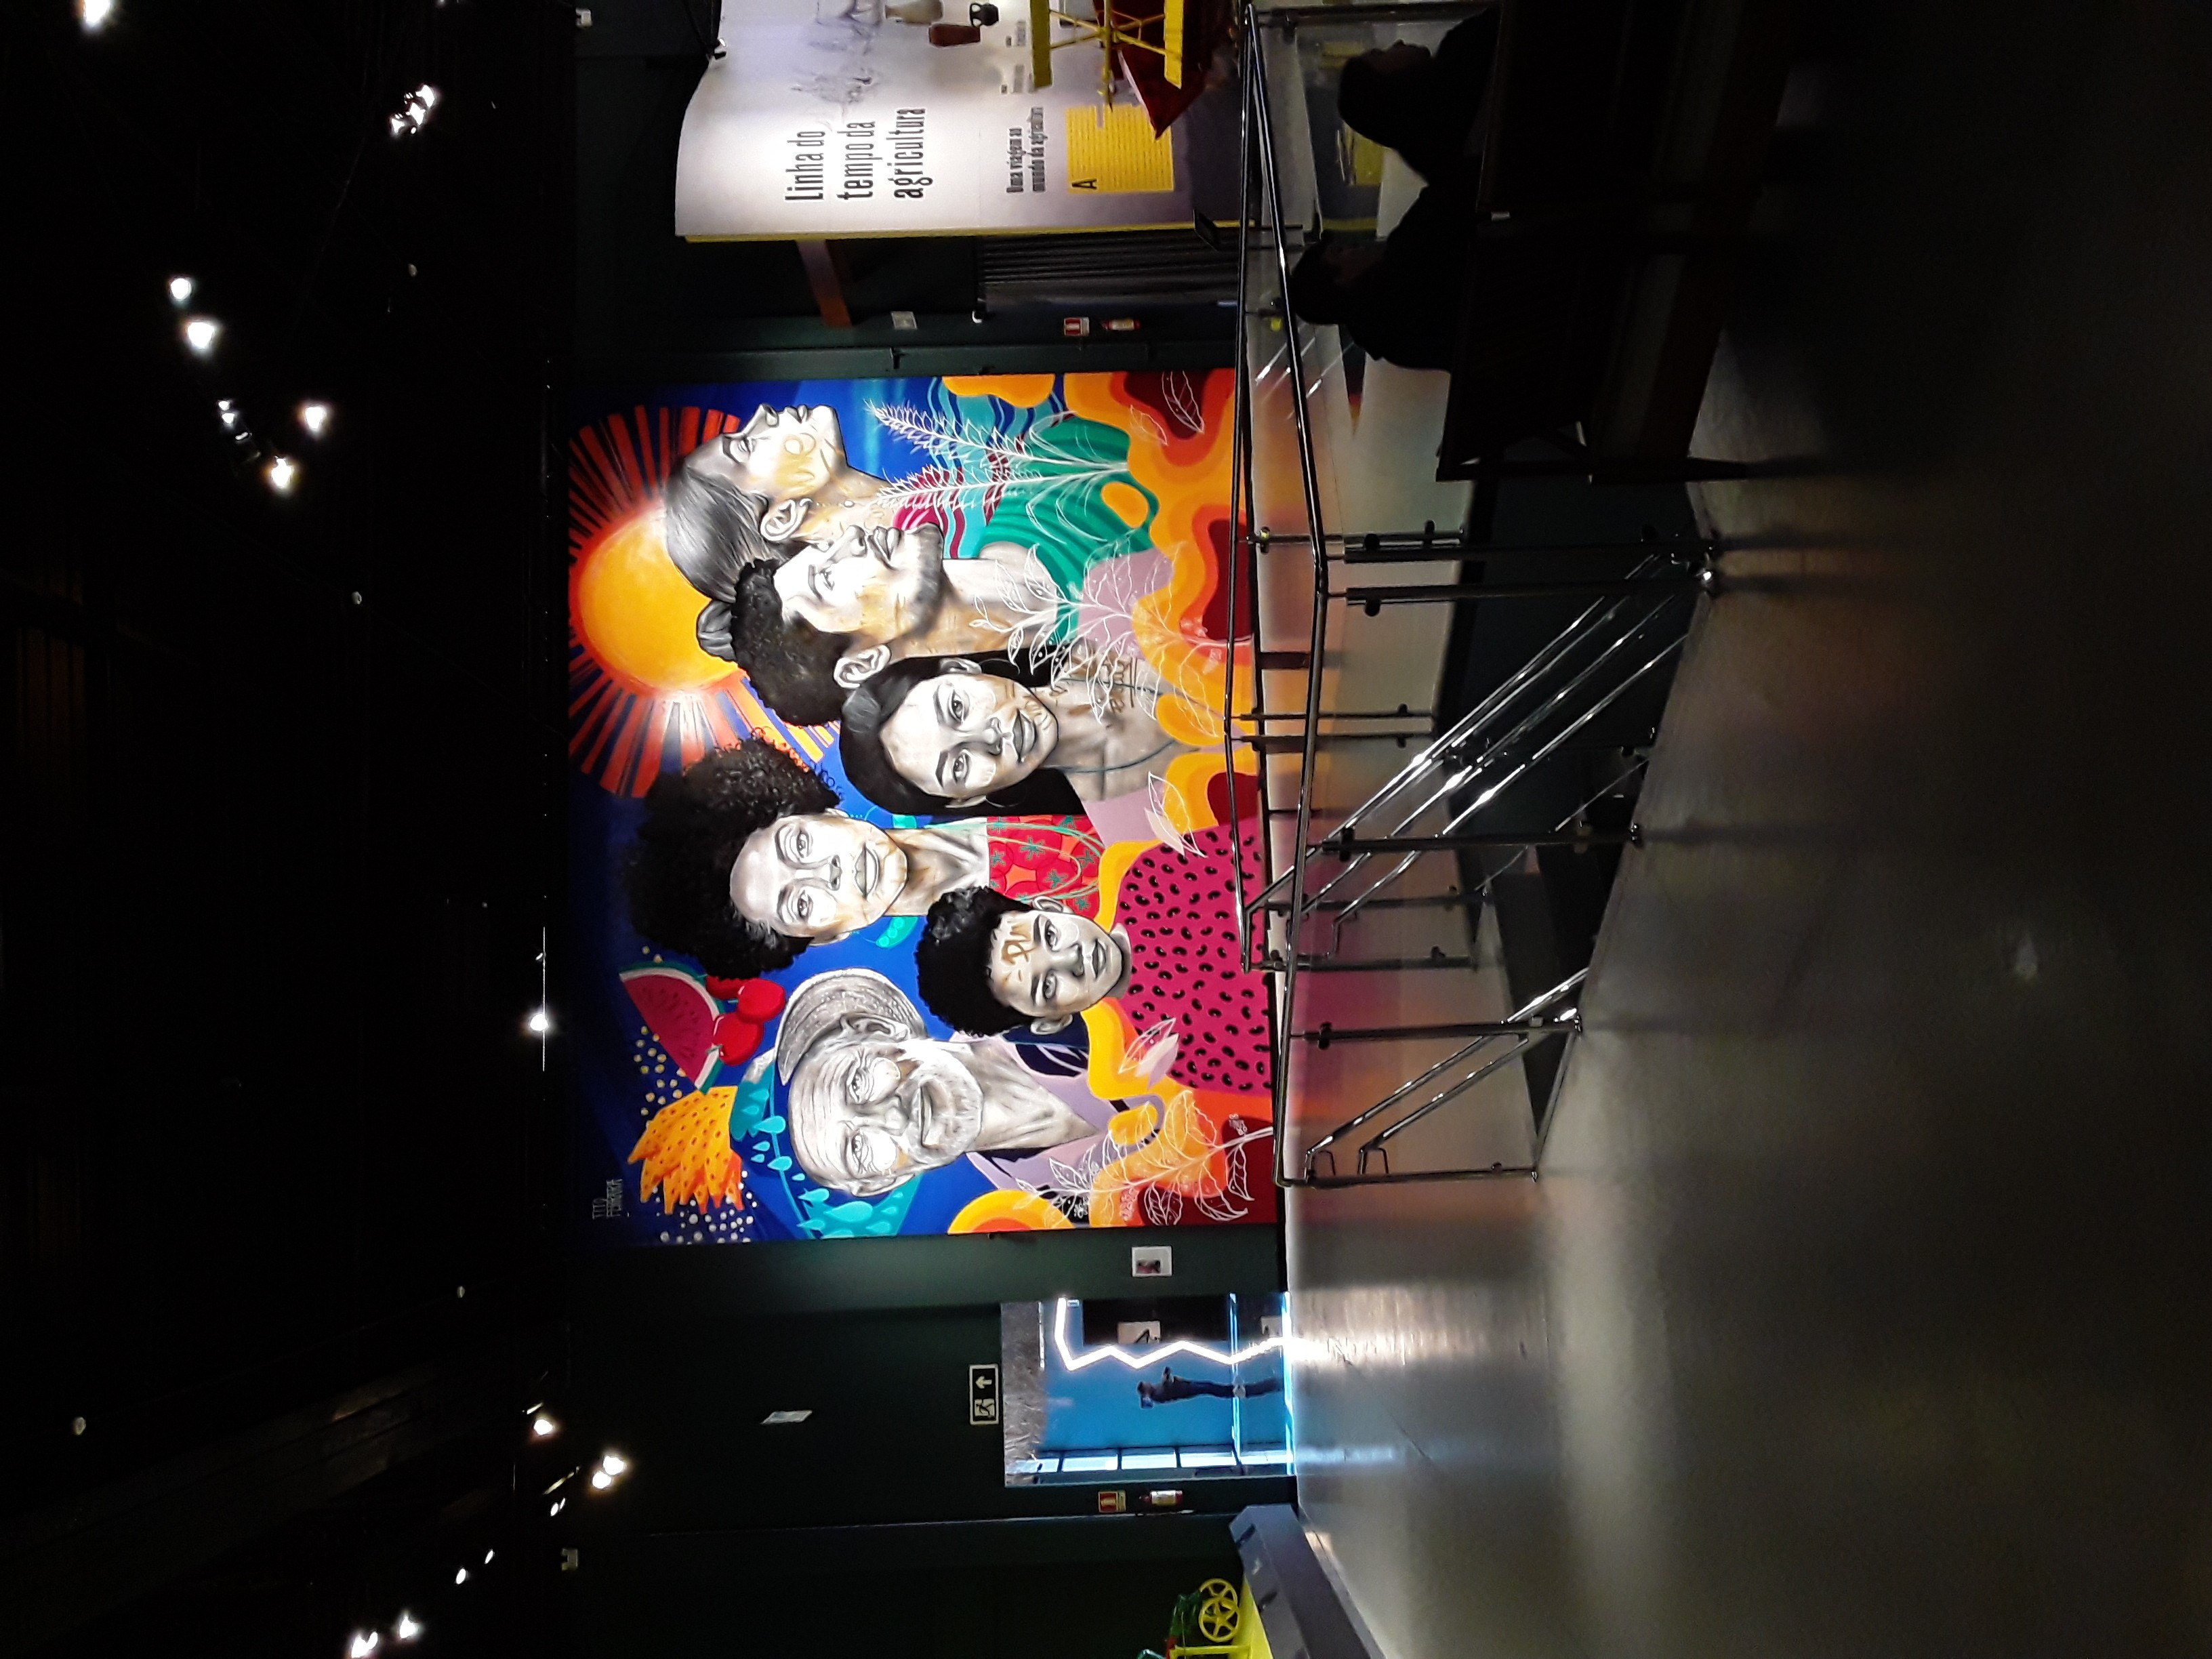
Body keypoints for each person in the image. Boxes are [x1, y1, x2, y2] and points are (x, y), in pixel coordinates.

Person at [624, 740, 1103, 977]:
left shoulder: (973, 754)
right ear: (829, 936)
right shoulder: (998, 981)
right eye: (801, 903)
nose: (827, 873)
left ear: (824, 811)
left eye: (800, 846)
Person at [914, 817, 1273, 1097]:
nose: (1071, 959)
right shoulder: (1172, 1052)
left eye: (1049, 935)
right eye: (1048, 985)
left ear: (1052, 906)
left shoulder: (1152, 875)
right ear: (1050, 1022)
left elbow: (1271, 848)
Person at [776, 968, 1113, 1196]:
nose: (894, 1117)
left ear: (879, 1029)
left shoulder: (1043, 996)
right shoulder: (1035, 1207)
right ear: (885, 1182)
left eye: (858, 1084)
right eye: (860, 1149)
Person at [838, 651, 1202, 817]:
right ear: (965, 801)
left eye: (957, 708)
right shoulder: (1130, 821)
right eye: (960, 766)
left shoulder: (1106, 619)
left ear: (959, 668)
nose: (989, 739)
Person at [1335, 12, 1500, 185]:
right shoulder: (1468, 47)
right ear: (1384, 85)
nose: (1398, 43)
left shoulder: (1454, 176)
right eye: (1380, 54)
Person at [1135, 1367, 1285, 1407]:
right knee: (1210, 1388)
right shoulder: (1156, 1396)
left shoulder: (1157, 1392)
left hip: (1188, 1386)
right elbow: (1168, 1391)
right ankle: (1235, 1392)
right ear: (1145, 1390)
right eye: (1146, 1385)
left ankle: (1234, 1391)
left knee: (1210, 1387)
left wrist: (1169, 1379)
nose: (1149, 1383)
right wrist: (1166, 1380)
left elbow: (1169, 1387)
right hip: (1188, 1389)